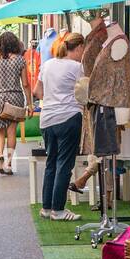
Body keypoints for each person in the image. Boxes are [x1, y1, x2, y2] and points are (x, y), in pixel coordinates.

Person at [34, 32, 85, 220]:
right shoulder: (77, 67)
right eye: (83, 49)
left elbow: (37, 91)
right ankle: (58, 210)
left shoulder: (47, 65)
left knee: (51, 163)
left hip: (47, 119)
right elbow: (85, 92)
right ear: (79, 48)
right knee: (64, 164)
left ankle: (46, 208)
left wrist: (51, 99)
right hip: (68, 117)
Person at [0, 30, 33, 175]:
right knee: (11, 132)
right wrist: (29, 104)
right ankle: (9, 163)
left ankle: (0, 156)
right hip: (15, 97)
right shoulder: (20, 60)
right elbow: (26, 84)